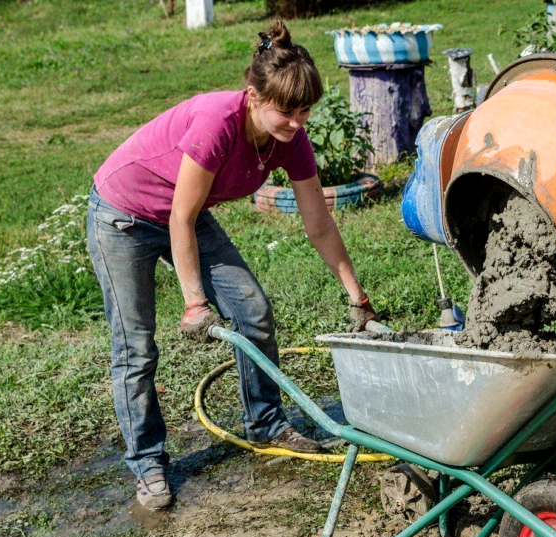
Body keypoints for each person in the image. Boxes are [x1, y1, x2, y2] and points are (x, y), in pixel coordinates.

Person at [87, 20, 378, 511]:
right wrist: (194, 303)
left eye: (305, 111)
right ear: (253, 96)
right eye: (286, 111)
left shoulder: (291, 138)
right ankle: (148, 463)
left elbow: (319, 223)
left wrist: (358, 296)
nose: (297, 122)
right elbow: (178, 218)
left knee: (253, 311)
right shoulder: (217, 122)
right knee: (136, 348)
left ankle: (265, 424)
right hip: (125, 214)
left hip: (186, 211)